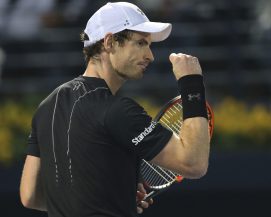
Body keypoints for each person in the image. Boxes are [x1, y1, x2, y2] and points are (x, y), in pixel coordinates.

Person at [20, 2, 210, 217]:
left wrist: (107, 196)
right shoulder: (119, 111)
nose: (150, 55)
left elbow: (30, 196)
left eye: (148, 45)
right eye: (140, 43)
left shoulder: (47, 106)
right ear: (110, 42)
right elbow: (193, 163)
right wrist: (192, 83)